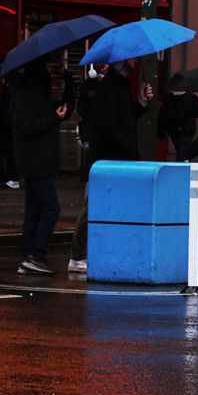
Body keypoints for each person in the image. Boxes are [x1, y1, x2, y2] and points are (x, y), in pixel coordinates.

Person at [69, 58, 154, 274]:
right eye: (132, 58)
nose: (136, 61)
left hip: (115, 158)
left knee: (107, 207)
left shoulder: (120, 86)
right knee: (94, 207)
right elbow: (109, 127)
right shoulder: (109, 88)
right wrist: (129, 150)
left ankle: (92, 253)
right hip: (107, 160)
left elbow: (124, 119)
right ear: (121, 61)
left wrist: (141, 103)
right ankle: (78, 256)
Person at [8, 61, 69, 276]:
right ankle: (35, 254)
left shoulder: (34, 96)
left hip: (36, 161)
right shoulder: (27, 97)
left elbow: (60, 109)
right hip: (37, 161)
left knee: (34, 211)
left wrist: (69, 85)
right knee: (51, 208)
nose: (51, 79)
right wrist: (54, 118)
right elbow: (27, 126)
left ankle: (28, 256)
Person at [158, 90, 198, 157]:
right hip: (187, 129)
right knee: (183, 152)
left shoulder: (169, 97)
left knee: (180, 150)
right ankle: (184, 164)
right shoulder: (191, 97)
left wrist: (161, 134)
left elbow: (163, 115)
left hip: (174, 129)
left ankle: (183, 163)